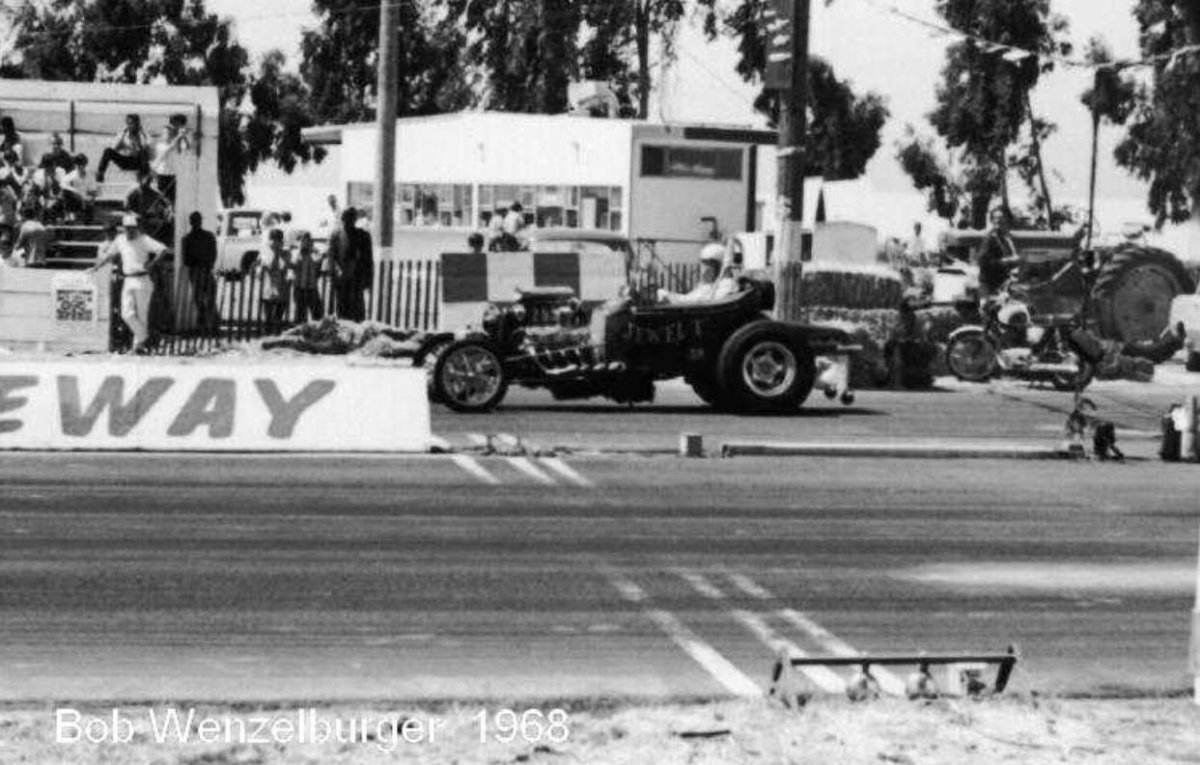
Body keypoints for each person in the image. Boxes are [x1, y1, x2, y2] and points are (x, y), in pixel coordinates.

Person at [88, 214, 170, 353]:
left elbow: (163, 249)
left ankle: (139, 347)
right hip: (128, 279)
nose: (130, 231)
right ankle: (146, 338)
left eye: (132, 228)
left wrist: (152, 264)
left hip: (142, 279)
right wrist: (96, 267)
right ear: (124, 228)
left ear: (136, 228)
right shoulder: (120, 240)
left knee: (141, 316)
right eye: (127, 228)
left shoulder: (144, 239)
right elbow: (109, 255)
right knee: (126, 314)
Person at [327, 207, 372, 321]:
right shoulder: (335, 235)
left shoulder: (363, 235)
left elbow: (368, 260)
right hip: (341, 278)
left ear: (355, 219)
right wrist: (334, 274)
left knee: (357, 311)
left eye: (351, 218)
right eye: (346, 218)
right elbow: (331, 257)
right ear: (342, 219)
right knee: (342, 310)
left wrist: (368, 280)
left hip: (357, 278)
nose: (348, 221)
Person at [659, 243, 738, 304]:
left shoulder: (727, 284)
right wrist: (670, 296)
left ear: (718, 266)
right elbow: (690, 298)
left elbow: (706, 302)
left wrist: (673, 298)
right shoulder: (706, 285)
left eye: (708, 264)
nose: (704, 268)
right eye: (703, 263)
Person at [181, 211, 219, 333]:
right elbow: (213, 255)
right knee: (207, 300)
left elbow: (186, 260)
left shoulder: (187, 239)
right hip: (204, 270)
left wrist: (200, 264)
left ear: (190, 222)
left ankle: (207, 326)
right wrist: (207, 264)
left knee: (202, 301)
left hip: (199, 271)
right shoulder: (208, 236)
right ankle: (209, 326)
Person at [978, 207, 1020, 299]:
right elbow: (983, 262)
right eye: (996, 218)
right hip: (990, 287)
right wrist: (1008, 260)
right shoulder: (990, 239)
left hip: (1003, 285)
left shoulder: (1005, 238)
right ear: (992, 221)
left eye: (1001, 218)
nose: (998, 220)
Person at [96, 114, 149, 182]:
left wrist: (140, 138)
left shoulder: (143, 135)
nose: (132, 126)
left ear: (138, 124)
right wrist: (122, 138)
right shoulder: (123, 134)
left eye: (134, 124)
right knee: (107, 151)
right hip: (125, 160)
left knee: (144, 153)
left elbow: (148, 148)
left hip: (137, 162)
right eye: (130, 124)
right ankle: (100, 174)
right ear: (127, 124)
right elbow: (114, 148)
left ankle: (143, 179)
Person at [125, 170, 172, 242]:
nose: (146, 181)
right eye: (142, 178)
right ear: (138, 179)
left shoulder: (155, 194)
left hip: (154, 228)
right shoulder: (134, 194)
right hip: (140, 226)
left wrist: (165, 214)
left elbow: (167, 206)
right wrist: (138, 216)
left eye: (148, 179)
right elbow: (127, 209)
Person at [258, 228, 291, 326]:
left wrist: (281, 253)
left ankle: (276, 337)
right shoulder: (265, 253)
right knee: (268, 320)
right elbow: (271, 267)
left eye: (279, 240)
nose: (276, 242)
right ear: (270, 240)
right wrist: (276, 254)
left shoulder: (286, 253)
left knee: (278, 319)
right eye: (274, 240)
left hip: (282, 292)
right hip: (268, 292)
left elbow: (286, 267)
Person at [290, 231, 326, 322]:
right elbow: (293, 263)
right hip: (299, 288)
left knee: (318, 315)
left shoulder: (315, 253)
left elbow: (318, 263)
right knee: (300, 315)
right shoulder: (295, 253)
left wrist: (313, 252)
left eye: (308, 240)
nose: (305, 242)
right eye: (303, 240)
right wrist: (300, 251)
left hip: (312, 288)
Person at [60, 154, 98, 222]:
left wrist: (87, 198)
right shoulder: (73, 174)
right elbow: (62, 184)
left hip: (86, 201)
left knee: (89, 205)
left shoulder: (90, 176)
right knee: (65, 192)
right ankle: (69, 216)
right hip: (76, 201)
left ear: (85, 164)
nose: (80, 166)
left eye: (82, 164)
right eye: (78, 164)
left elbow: (93, 192)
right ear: (76, 165)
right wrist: (74, 191)